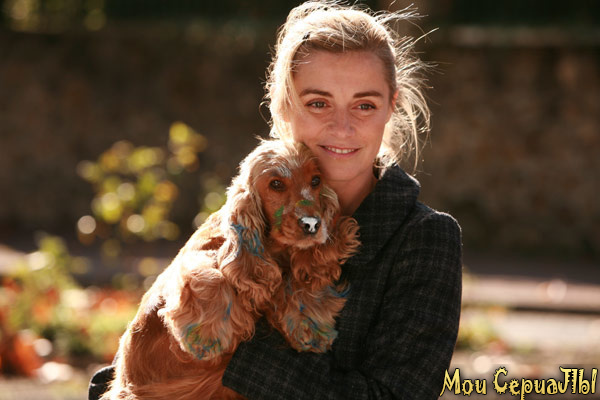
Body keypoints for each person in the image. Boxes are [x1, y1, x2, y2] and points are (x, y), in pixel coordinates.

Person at [89, 1, 462, 399]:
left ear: (391, 106)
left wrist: (233, 356)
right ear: (283, 106)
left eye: (364, 105)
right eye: (318, 103)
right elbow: (137, 369)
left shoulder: (424, 237)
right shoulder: (249, 209)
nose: (342, 127)